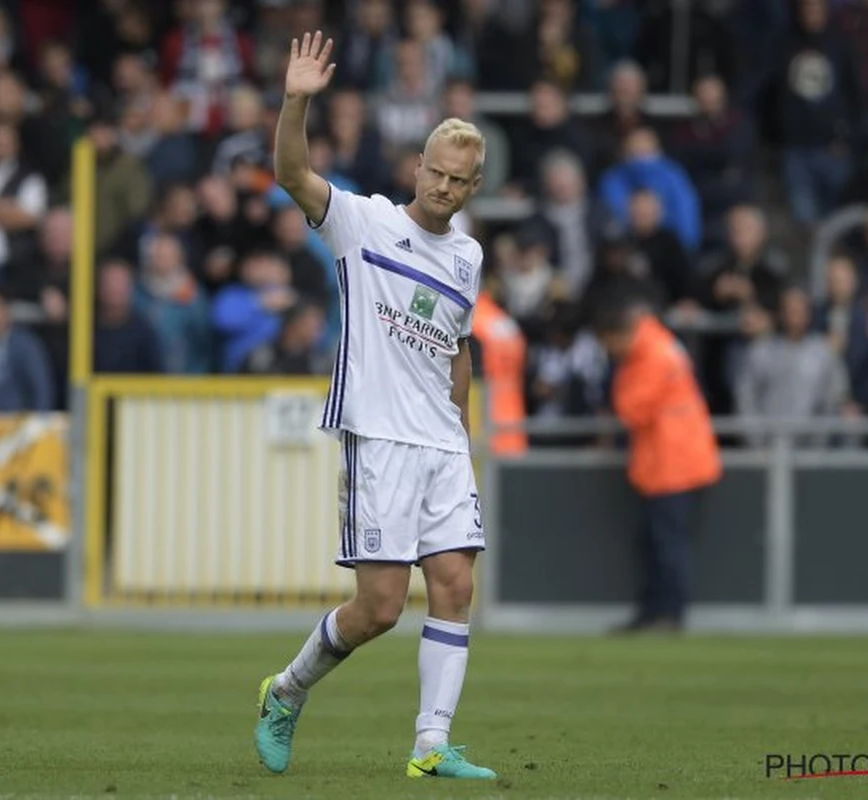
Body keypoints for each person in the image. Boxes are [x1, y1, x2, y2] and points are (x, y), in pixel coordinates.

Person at [254, 31, 495, 781]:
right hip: (379, 438)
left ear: (471, 189)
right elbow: (290, 171)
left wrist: (460, 431)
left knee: (456, 584)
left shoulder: (468, 258)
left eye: (460, 182)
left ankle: (431, 745)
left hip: (441, 444)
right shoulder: (364, 225)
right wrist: (296, 100)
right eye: (437, 172)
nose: (444, 188)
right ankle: (286, 689)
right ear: (417, 166)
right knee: (381, 609)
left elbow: (456, 346)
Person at [595, 299, 722, 632]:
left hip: (674, 464)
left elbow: (631, 409)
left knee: (668, 544)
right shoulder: (656, 345)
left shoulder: (652, 353)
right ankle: (654, 612)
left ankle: (669, 614)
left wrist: (618, 390)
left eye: (609, 343)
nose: (609, 352)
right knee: (657, 543)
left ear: (619, 334)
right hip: (669, 461)